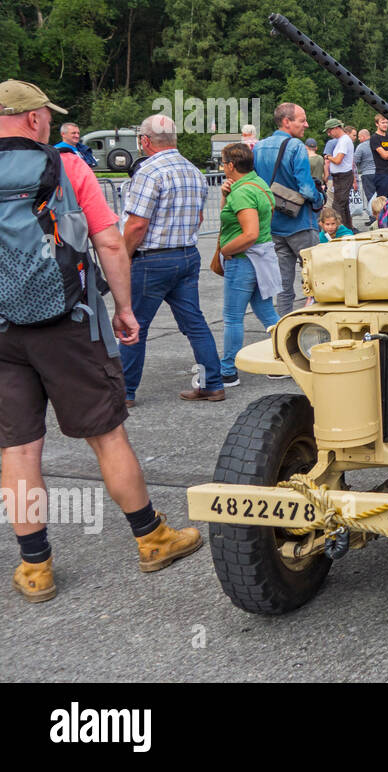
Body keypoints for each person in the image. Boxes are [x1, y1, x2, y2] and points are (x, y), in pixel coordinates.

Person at [0, 80, 204, 602]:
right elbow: (109, 240)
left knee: (19, 450)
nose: (48, 121)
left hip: (3, 331)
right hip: (66, 323)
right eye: (45, 114)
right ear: (31, 119)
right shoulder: (66, 168)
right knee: (106, 436)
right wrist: (125, 308)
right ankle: (152, 538)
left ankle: (35, 566)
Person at [119, 114, 223, 405]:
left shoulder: (149, 172)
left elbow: (137, 224)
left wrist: (122, 256)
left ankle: (124, 391)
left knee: (133, 325)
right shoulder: (194, 171)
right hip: (187, 255)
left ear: (145, 141)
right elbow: (200, 217)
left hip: (151, 259)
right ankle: (211, 383)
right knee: (195, 324)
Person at [212, 143, 279, 388]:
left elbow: (249, 233)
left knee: (232, 317)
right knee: (266, 312)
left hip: (243, 260)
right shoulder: (258, 184)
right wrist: (224, 195)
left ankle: (228, 371)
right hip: (260, 259)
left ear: (231, 165)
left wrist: (226, 250)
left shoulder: (242, 192)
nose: (221, 167)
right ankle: (283, 359)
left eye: (223, 163)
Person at [254, 102, 322, 317]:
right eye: (302, 120)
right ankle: (317, 325)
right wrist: (320, 199)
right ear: (286, 122)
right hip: (300, 223)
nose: (306, 125)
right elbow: (305, 188)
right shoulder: (295, 147)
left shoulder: (259, 146)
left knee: (283, 285)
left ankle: (283, 325)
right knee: (317, 278)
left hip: (273, 224)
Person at [322, 118, 354, 230]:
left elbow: (338, 160)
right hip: (341, 176)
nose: (328, 134)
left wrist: (328, 157)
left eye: (329, 131)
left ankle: (338, 231)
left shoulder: (344, 140)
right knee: (344, 206)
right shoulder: (342, 140)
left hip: (343, 176)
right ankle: (347, 229)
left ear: (336, 128)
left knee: (337, 206)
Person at [355, 127, 376, 223]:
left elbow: (355, 161)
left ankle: (373, 218)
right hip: (378, 173)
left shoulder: (361, 146)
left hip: (367, 174)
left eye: (359, 137)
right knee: (378, 196)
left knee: (370, 196)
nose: (358, 139)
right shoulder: (376, 144)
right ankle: (380, 216)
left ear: (363, 137)